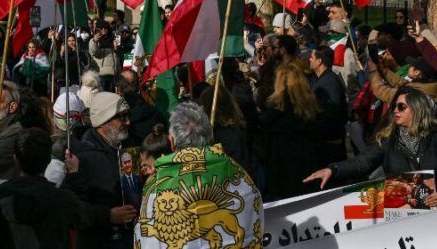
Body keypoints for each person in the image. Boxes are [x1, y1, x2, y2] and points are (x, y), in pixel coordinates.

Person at [304, 87, 437, 206]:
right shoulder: (387, 140)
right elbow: (363, 162)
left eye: (401, 107)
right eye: (394, 107)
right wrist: (333, 169)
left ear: (417, 109)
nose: (395, 111)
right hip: (402, 218)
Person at [134, 102, 263, 248]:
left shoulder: (156, 185)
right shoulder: (238, 173)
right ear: (210, 135)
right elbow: (256, 221)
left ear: (171, 141)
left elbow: (147, 241)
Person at [0, 128, 94, 248]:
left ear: (16, 159)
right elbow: (83, 217)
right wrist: (73, 175)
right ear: (48, 160)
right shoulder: (61, 199)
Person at [68, 91, 137, 249]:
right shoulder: (83, 157)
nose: (128, 122)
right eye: (121, 117)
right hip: (100, 241)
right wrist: (109, 216)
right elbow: (75, 210)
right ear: (103, 122)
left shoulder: (129, 146)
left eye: (128, 115)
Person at [260, 63, 321, 200]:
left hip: (282, 168)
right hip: (307, 163)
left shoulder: (277, 108)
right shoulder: (308, 105)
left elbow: (263, 125)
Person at [309, 46, 347, 164]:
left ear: (319, 61)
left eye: (312, 57)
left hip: (329, 144)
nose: (309, 59)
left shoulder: (329, 82)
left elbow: (332, 112)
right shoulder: (321, 79)